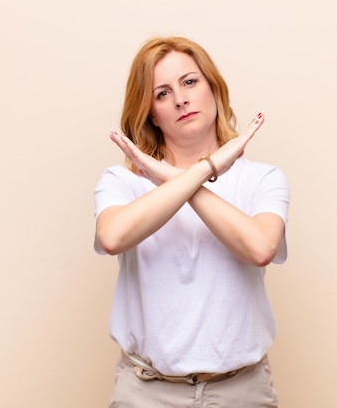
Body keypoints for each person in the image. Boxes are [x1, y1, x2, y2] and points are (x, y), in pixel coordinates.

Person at [93, 36, 290, 408]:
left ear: (213, 88)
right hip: (145, 393)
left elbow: (260, 248)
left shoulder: (262, 179)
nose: (180, 99)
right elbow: (112, 237)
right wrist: (209, 168)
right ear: (151, 112)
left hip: (241, 392)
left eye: (189, 82)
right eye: (162, 93)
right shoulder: (124, 181)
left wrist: (180, 176)